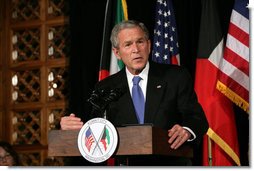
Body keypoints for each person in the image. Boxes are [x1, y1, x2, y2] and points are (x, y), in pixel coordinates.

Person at [60, 20, 209, 166]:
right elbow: (97, 126)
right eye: (128, 44)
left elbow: (196, 117)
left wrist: (187, 130)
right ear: (117, 53)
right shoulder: (105, 87)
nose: (136, 49)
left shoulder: (175, 77)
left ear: (149, 45)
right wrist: (73, 128)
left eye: (140, 42)